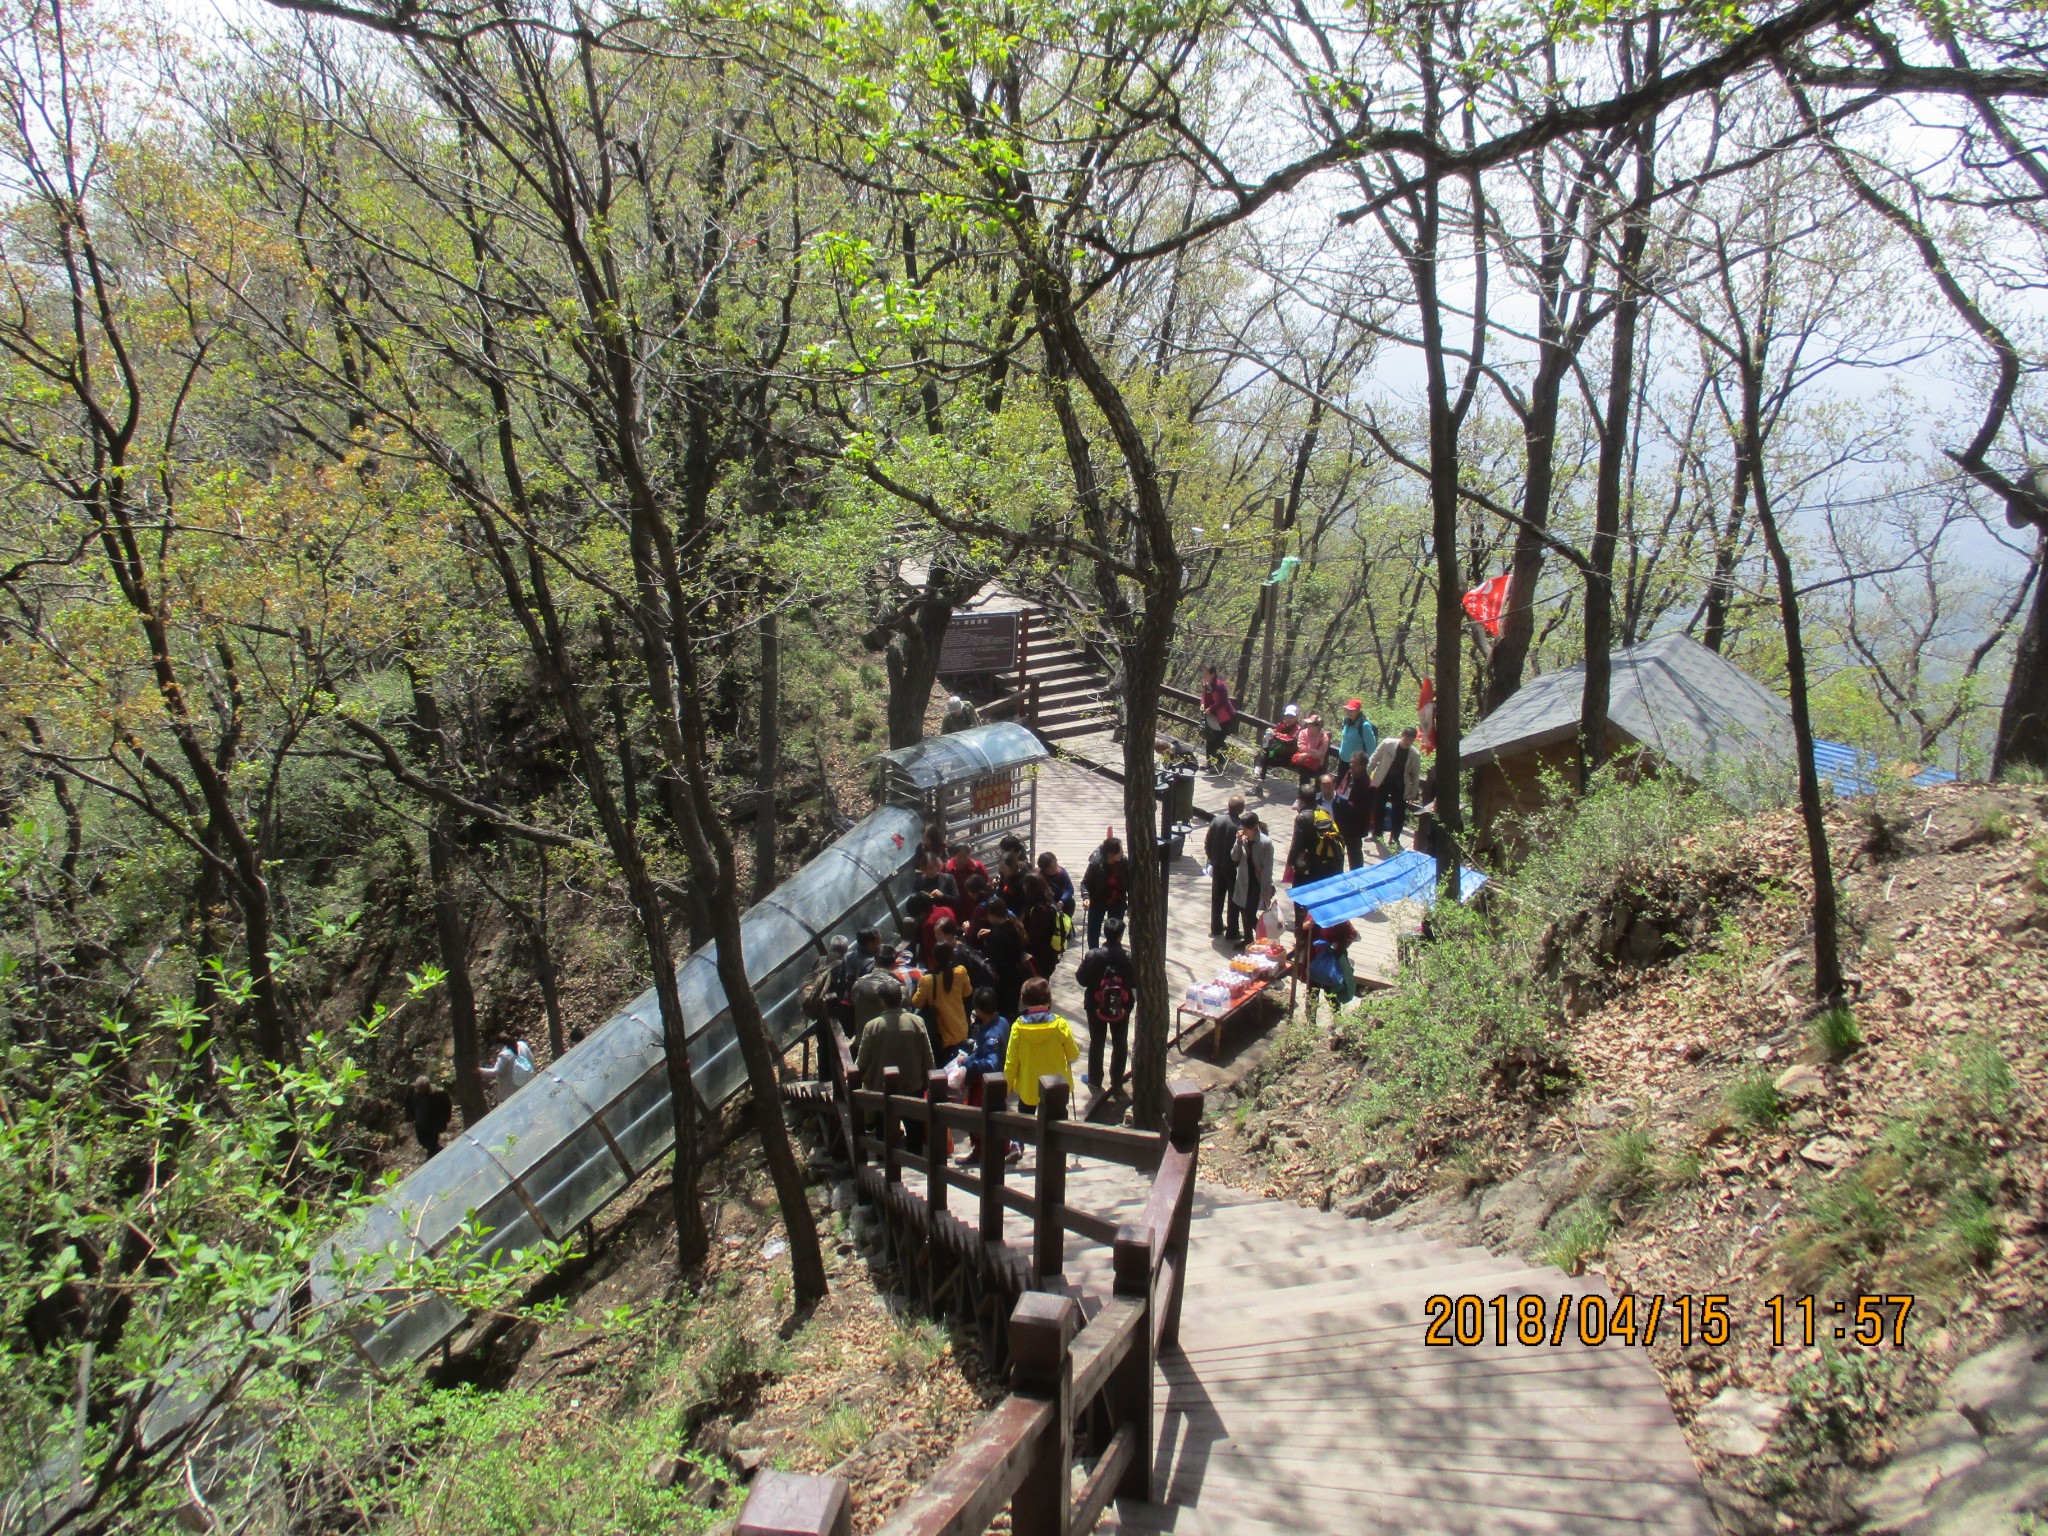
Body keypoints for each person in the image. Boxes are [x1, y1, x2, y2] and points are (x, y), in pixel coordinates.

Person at [855, 975, 933, 1152]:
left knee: (884, 1135)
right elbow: (928, 1057)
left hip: (882, 1089)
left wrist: (853, 1079)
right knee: (915, 1130)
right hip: (913, 1085)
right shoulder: (917, 1022)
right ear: (902, 998)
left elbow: (862, 1062)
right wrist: (930, 1082)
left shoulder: (872, 1026)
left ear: (882, 1001)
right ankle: (915, 1162)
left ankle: (885, 1166)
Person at [1074, 914, 1136, 1097]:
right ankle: (1116, 1080)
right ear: (1121, 935)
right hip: (1122, 1005)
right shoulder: (1128, 957)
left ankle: (1094, 1080)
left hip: (1095, 1005)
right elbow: (1135, 983)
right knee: (1120, 1042)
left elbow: (1081, 979)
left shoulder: (1093, 955)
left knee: (1097, 1042)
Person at [957, 987, 1018, 1165]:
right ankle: (997, 1149)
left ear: (979, 1009)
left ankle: (984, 1151)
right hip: (999, 1080)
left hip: (987, 1084)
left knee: (979, 1117)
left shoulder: (992, 1035)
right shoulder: (1003, 1022)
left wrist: (967, 1061)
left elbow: (990, 1063)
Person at [1003, 977, 1078, 1112]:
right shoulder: (1060, 1024)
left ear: (1024, 1001)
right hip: (1055, 1088)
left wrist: (1005, 1090)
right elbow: (1073, 1054)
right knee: (1056, 1128)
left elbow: (1011, 1063)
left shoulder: (1017, 1027)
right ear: (1049, 999)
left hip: (1028, 1089)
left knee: (1026, 1128)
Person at [912, 942, 973, 1055]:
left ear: (934, 957)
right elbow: (967, 992)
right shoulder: (960, 971)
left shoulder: (927, 979)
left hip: (941, 1038)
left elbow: (916, 1003)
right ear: (951, 954)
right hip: (961, 1030)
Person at [1367, 726, 1423, 848]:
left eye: (1411, 739)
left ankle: (1394, 838)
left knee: (1399, 811)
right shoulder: (1388, 744)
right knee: (1378, 806)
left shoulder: (1414, 754)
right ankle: (1377, 833)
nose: (1408, 741)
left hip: (1400, 783)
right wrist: (1367, 775)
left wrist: (1413, 793)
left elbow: (1415, 775)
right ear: (1401, 735)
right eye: (1406, 737)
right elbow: (1374, 759)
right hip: (1383, 779)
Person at [977, 898, 1032, 1016]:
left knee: (1005, 1010)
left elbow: (997, 961)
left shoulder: (997, 936)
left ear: (992, 915)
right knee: (1012, 1006)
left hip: (1005, 980)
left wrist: (988, 942)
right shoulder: (1013, 923)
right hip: (1017, 975)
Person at [1287, 786, 1347, 888]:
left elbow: (1296, 844)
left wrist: (1290, 863)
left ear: (1299, 798)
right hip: (1325, 861)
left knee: (1300, 896)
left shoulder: (1302, 818)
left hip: (1308, 864)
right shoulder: (1324, 811)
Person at [1205, 793, 1247, 937]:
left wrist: (1211, 858)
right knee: (1233, 901)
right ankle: (1232, 930)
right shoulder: (1239, 827)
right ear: (1241, 810)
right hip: (1232, 868)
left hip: (1217, 865)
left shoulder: (1216, 820)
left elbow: (1208, 841)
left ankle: (1215, 927)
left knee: (1217, 897)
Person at [1230, 813, 1274, 947]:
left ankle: (1264, 937)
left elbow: (1267, 869)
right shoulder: (1242, 840)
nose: (1244, 831)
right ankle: (1248, 939)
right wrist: (1238, 842)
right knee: (1244, 910)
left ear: (1255, 827)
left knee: (1250, 913)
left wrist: (1266, 889)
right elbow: (1234, 857)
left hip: (1257, 883)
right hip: (1243, 881)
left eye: (1246, 828)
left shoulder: (1266, 843)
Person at [1080, 835, 1129, 949]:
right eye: (1119, 851)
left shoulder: (1123, 862)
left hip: (1117, 899)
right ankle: (1094, 955)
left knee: (1115, 931)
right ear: (1110, 854)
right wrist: (1086, 897)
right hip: (1098, 899)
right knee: (1093, 930)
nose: (1122, 853)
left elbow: (1130, 882)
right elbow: (1085, 883)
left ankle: (1112, 953)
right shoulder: (1095, 864)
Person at [1018, 872, 1062, 981]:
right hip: (1047, 956)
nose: (1022, 887)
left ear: (1030, 888)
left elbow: (1036, 937)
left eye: (1025, 884)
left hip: (1040, 958)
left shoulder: (1040, 909)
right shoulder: (1048, 901)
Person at [476, 1031, 535, 1108]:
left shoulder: (504, 1055)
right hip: (524, 1084)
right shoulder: (522, 1045)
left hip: (510, 1091)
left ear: (500, 1044)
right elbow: (531, 1060)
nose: (497, 1049)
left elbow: (496, 1071)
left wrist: (480, 1070)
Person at [1329, 771, 1371, 871]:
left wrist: (1353, 806)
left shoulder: (1366, 783)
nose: (1351, 766)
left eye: (1354, 764)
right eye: (1351, 763)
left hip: (1355, 825)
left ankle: (1356, 874)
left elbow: (1367, 807)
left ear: (1362, 766)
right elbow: (1340, 790)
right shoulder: (1349, 775)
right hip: (1342, 820)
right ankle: (1337, 873)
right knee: (1338, 852)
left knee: (1355, 853)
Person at [1199, 664, 1237, 772]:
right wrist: (1202, 704)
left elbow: (1223, 702)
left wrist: (1211, 708)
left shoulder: (1220, 686)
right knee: (1210, 739)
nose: (1204, 675)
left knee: (1219, 741)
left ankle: (1220, 764)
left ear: (1212, 674)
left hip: (1224, 717)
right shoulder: (1205, 684)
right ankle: (1210, 763)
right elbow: (1203, 697)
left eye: (1206, 673)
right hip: (1211, 716)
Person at [1337, 699, 1378, 791]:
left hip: (1356, 764)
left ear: (1358, 711)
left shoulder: (1364, 726)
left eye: (1352, 710)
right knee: (1339, 785)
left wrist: (1367, 765)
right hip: (1343, 760)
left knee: (1351, 789)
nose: (1349, 712)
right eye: (1348, 709)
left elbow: (1371, 748)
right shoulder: (1347, 721)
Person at [408, 1074, 453, 1152]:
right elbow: (408, 1103)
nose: (420, 1092)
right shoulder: (413, 1091)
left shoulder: (440, 1094)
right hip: (420, 1122)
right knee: (422, 1141)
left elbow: (447, 1105)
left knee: (432, 1143)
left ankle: (434, 1152)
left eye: (422, 1090)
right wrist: (410, 1116)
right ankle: (434, 1149)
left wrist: (447, 1118)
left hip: (435, 1122)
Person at [1258, 703, 1300, 782]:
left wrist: (1275, 735)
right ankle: (1258, 780)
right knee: (1261, 754)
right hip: (1276, 754)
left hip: (1288, 759)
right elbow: (1275, 732)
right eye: (1287, 716)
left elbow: (1289, 739)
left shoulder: (1298, 729)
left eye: (1292, 717)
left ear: (1296, 717)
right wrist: (1269, 735)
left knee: (1263, 758)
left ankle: (1258, 779)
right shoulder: (1282, 725)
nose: (1289, 719)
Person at [1292, 712, 1333, 788]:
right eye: (1308, 723)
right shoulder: (1303, 732)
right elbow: (1301, 747)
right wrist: (1314, 752)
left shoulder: (1324, 737)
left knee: (1320, 777)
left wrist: (1307, 754)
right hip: (1305, 762)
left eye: (1310, 724)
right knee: (1304, 772)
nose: (1308, 725)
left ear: (1316, 726)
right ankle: (1304, 794)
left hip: (1318, 764)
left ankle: (1317, 795)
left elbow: (1321, 754)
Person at [1036, 850, 1076, 916]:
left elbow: (1070, 889)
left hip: (1059, 899)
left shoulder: (1061, 872)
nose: (1055, 867)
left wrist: (1062, 900)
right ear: (1045, 869)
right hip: (1044, 901)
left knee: (1071, 902)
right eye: (1051, 867)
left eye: (1056, 863)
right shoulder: (1038, 876)